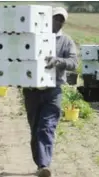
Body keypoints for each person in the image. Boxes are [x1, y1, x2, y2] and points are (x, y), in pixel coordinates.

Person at [22, 7, 78, 177]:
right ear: (48, 19)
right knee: (35, 129)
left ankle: (44, 165)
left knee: (46, 128)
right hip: (32, 91)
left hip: (53, 91)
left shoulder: (66, 41)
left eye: (61, 20)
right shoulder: (34, 37)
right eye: (55, 18)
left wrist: (58, 61)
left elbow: (74, 62)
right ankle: (40, 163)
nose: (58, 22)